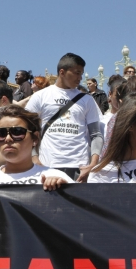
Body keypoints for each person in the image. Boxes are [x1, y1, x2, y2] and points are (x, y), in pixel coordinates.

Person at [26, 53, 103, 182]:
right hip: (47, 166)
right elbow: (25, 129)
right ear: (62, 72)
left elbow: (96, 134)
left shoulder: (87, 100)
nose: (80, 78)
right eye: (77, 73)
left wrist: (93, 163)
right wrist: (34, 158)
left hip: (79, 168)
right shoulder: (41, 96)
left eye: (81, 74)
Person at [0, 105, 74, 192]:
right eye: (1, 133)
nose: (8, 139)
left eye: (17, 132)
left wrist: (66, 191)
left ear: (35, 138)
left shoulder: (56, 177)